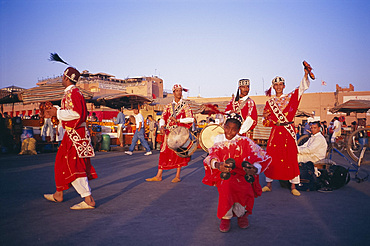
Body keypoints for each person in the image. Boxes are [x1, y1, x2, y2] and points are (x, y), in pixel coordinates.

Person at [202, 113, 271, 233]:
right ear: (224, 126)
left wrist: (255, 169)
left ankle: (241, 215)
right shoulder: (219, 140)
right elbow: (211, 157)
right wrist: (218, 165)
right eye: (227, 127)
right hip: (225, 175)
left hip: (242, 175)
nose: (229, 131)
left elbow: (261, 156)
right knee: (226, 190)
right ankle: (225, 217)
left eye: (234, 129)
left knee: (244, 191)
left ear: (239, 130)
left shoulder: (245, 141)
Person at [43, 67, 97, 210]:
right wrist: (56, 110)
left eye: (62, 77)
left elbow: (77, 114)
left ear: (66, 78)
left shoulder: (73, 93)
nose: (61, 79)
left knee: (75, 166)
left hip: (75, 135)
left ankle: (88, 199)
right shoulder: (71, 93)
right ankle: (58, 193)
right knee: (61, 163)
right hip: (71, 134)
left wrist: (58, 112)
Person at [262, 65, 311, 196]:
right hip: (275, 132)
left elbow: (301, 89)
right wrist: (268, 118)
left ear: (284, 86)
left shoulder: (291, 97)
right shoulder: (270, 102)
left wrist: (305, 75)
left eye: (280, 84)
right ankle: (269, 184)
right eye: (276, 85)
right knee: (272, 156)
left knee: (290, 156)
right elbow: (265, 122)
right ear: (273, 87)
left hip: (288, 131)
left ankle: (294, 185)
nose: (278, 87)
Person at [145, 84, 194, 183]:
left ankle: (177, 176)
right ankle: (159, 175)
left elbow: (190, 118)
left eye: (180, 91)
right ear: (173, 93)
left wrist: (178, 120)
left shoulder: (185, 105)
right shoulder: (168, 106)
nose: (179, 93)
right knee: (163, 153)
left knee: (178, 153)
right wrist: (162, 126)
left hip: (179, 133)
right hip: (168, 133)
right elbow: (163, 118)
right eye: (177, 91)